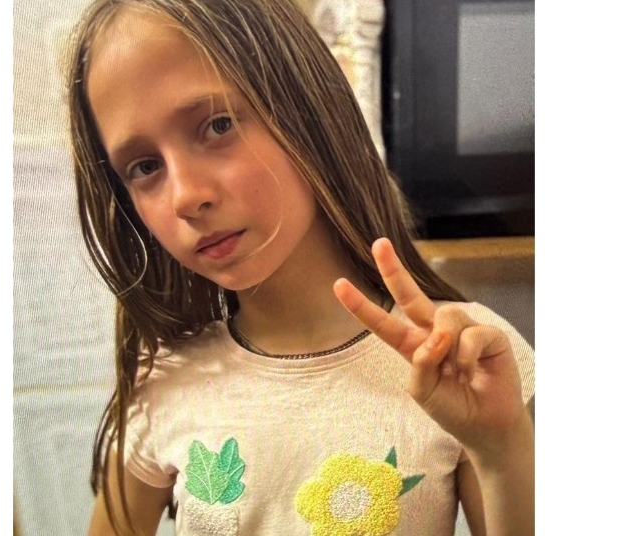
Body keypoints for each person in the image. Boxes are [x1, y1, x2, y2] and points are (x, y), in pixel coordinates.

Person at [66, 0, 535, 534]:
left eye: (217, 125)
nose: (185, 196)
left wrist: (502, 448)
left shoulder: (460, 361)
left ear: (309, 109)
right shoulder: (163, 386)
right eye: (145, 166)